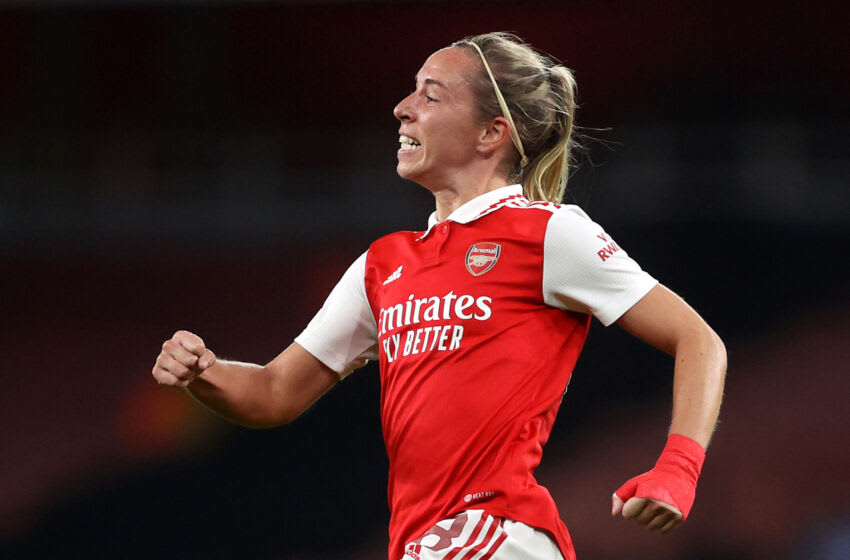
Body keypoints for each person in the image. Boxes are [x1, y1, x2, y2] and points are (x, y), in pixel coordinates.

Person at [152, 32, 727, 560]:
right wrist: (205, 371)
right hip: (427, 541)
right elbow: (275, 392)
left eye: (430, 95)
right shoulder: (384, 264)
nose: (403, 109)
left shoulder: (549, 232)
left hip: (493, 533)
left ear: (491, 133)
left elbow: (698, 340)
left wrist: (678, 469)